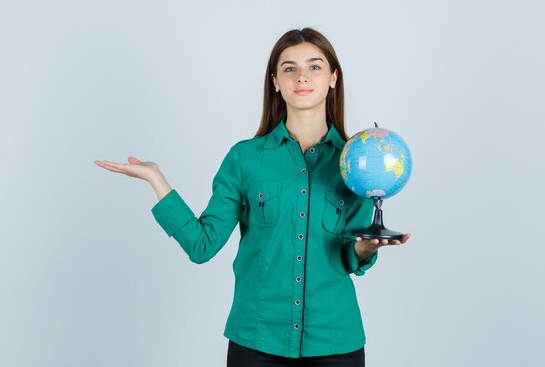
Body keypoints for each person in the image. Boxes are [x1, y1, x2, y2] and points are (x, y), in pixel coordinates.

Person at [94, 28, 411, 367]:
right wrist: (156, 180)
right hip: (256, 342)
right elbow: (202, 246)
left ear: (334, 78)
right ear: (275, 81)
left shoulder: (357, 160)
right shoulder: (244, 159)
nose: (302, 76)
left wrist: (365, 248)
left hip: (335, 342)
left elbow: (350, 257)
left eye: (315, 66)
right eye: (289, 68)